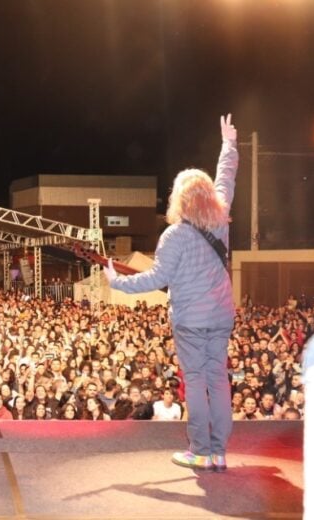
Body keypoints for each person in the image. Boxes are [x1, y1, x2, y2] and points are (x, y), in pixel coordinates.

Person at [105, 114, 238, 472]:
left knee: (195, 381)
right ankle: (219, 452)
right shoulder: (221, 217)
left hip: (191, 320)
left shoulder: (174, 235)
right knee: (218, 378)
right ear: (208, 196)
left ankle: (199, 450)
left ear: (179, 199)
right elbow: (226, 178)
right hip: (222, 314)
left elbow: (154, 279)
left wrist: (116, 281)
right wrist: (229, 145)